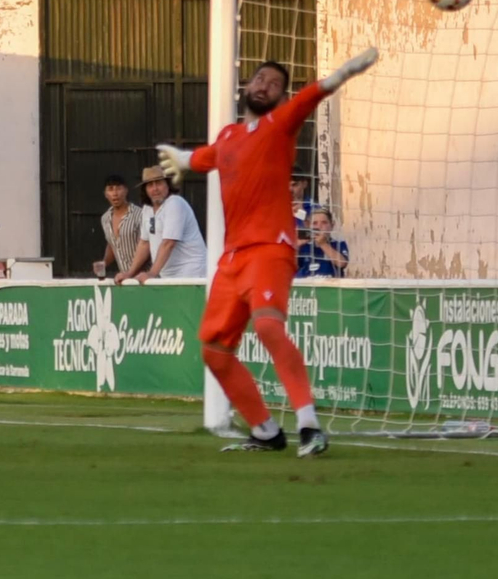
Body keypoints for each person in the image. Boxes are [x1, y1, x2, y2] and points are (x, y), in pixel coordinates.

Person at [158, 48, 378, 457]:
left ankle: (310, 426)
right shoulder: (228, 135)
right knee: (213, 349)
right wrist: (183, 159)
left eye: (274, 84)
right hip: (232, 258)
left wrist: (340, 75)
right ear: (248, 86)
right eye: (260, 79)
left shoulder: (279, 126)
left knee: (267, 328)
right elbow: (208, 158)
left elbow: (309, 98)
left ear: (280, 99)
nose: (264, 85)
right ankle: (265, 430)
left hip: (270, 250)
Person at [116, 166, 207, 283]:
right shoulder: (147, 209)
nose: (155, 189)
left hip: (193, 274)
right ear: (145, 190)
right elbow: (144, 243)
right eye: (150, 185)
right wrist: (129, 273)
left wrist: (151, 273)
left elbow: (168, 243)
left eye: (158, 183)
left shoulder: (175, 203)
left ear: (167, 185)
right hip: (168, 277)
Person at [97, 175, 142, 279]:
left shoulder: (139, 214)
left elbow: (146, 245)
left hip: (144, 277)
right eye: (110, 189)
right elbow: (113, 243)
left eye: (118, 188)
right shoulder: (105, 218)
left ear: (126, 191)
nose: (115, 193)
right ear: (105, 194)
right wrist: (104, 263)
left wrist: (131, 272)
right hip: (124, 278)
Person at [297, 208, 349, 278]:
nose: (319, 226)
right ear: (309, 226)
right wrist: (296, 247)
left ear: (332, 225)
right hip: (308, 285)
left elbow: (342, 263)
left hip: (331, 285)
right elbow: (293, 268)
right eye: (315, 223)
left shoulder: (338, 243)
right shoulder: (305, 246)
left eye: (324, 223)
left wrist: (323, 244)